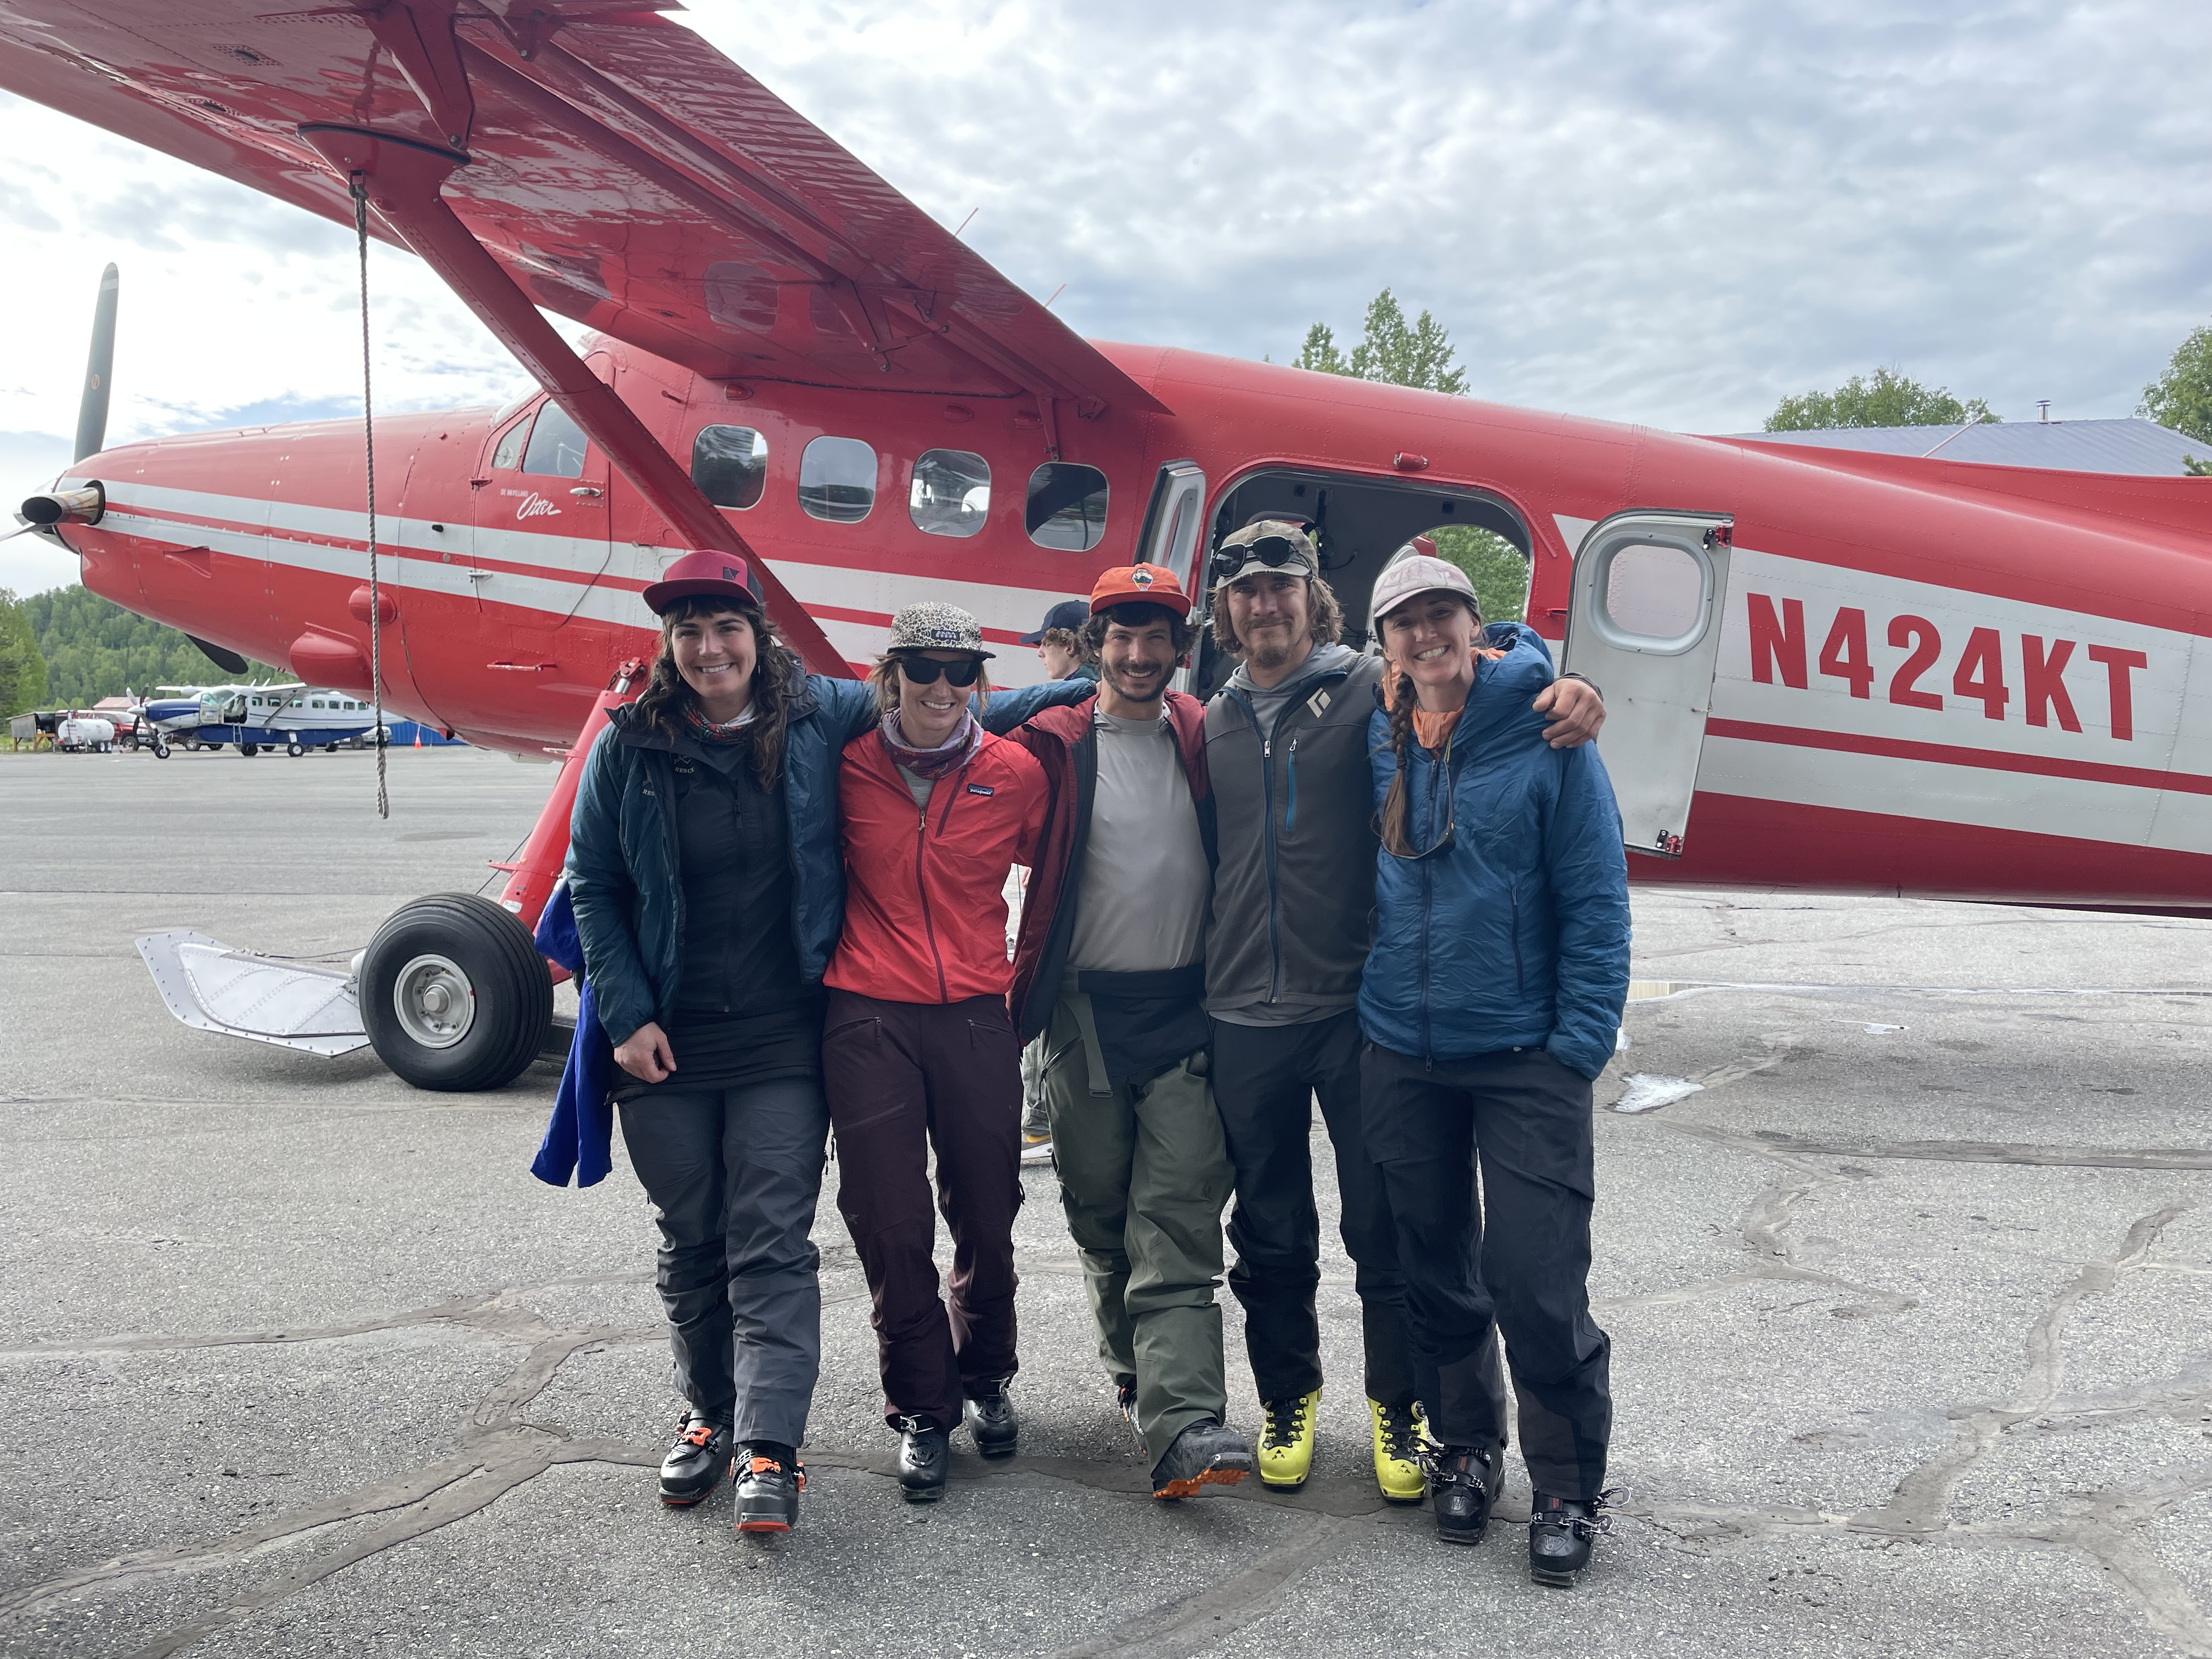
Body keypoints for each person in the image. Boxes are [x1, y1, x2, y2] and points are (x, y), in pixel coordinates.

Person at [562, 552, 1087, 1537]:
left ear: (758, 636)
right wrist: (625, 1012)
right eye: (690, 630)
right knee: (769, 1234)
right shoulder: (670, 743)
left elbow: (1002, 781)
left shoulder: (866, 730)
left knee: (879, 1222)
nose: (710, 645)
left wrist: (1110, 680)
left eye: (727, 625)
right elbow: (593, 880)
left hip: (868, 1023)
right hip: (748, 1027)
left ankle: (874, 1409)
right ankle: (788, 1409)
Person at [1202, 520, 1606, 1502]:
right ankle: (1370, 1417)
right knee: (1326, 1241)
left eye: (1283, 587)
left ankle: (1476, 1442)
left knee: (1463, 1257)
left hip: (1421, 1028)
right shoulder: (1232, 720)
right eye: (1247, 590)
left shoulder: (1497, 723)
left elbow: (1595, 897)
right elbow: (1094, 706)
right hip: (1318, 1024)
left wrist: (1577, 1047)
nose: (1265, 603)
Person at [1357, 551, 1630, 1584]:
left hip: (1522, 1055)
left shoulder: (1550, 736)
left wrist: (1578, 1044)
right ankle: (1466, 1438)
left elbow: (1597, 900)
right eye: (1405, 623)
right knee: (1433, 1263)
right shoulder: (1381, 737)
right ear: (1384, 645)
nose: (1425, 636)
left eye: (1442, 615)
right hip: (1401, 1047)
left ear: (1478, 627)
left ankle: (1566, 1481)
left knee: (1535, 1274)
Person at [1004, 563, 1256, 1501]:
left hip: (1187, 1010)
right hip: (1082, 1016)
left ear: (1181, 649)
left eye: (1158, 638)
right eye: (1121, 636)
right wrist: (1054, 690)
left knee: (1178, 1220)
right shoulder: (1052, 741)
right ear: (1094, 643)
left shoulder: (1208, 732)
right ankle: (1130, 1371)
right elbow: (946, 729)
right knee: (1101, 1214)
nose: (1140, 655)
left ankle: (1185, 1417)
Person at [820, 603, 1047, 1504]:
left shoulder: (1014, 771)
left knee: (987, 1210)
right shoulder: (842, 769)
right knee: (890, 1218)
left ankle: (986, 1371)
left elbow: (1063, 869)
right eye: (924, 670)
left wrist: (1029, 983)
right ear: (892, 676)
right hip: (867, 1012)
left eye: (961, 672)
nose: (942, 689)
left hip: (974, 1018)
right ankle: (921, 1403)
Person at [1016, 597, 1097, 1166]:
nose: (1040, 654)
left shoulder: (1069, 708)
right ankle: (1041, 1114)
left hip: (1069, 880)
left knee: (1050, 981)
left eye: (1045, 643)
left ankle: (1041, 1117)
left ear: (1068, 642)